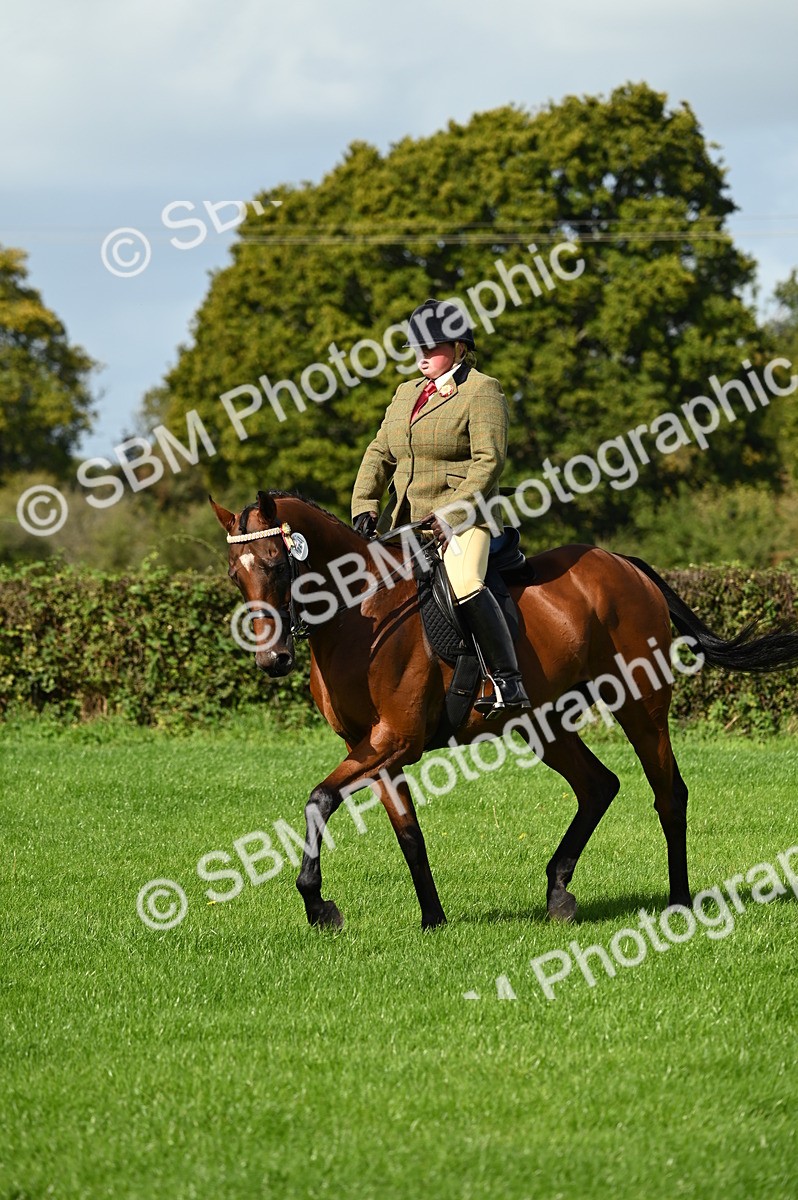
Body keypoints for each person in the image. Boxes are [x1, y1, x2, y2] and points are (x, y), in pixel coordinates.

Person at [351, 298, 531, 714]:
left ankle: (508, 682)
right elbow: (380, 451)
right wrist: (364, 503)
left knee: (465, 582)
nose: (422, 357)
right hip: (407, 524)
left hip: (466, 519)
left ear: (461, 348)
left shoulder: (482, 390)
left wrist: (449, 512)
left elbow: (489, 461)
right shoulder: (405, 394)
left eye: (432, 347)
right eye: (418, 348)